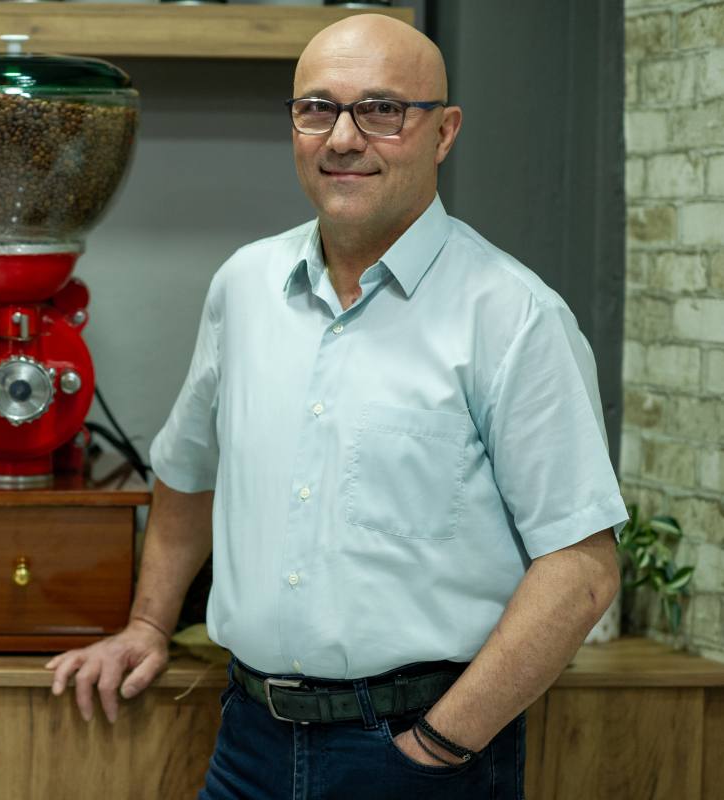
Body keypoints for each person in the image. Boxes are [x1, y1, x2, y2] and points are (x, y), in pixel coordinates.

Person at [45, 13, 627, 799]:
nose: (342, 138)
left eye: (381, 110)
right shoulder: (243, 287)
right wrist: (148, 623)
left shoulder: (513, 316)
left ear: (444, 132)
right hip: (246, 744)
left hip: (418, 757)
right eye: (316, 108)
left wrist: (436, 745)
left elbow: (580, 570)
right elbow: (186, 467)